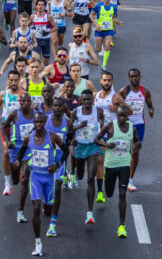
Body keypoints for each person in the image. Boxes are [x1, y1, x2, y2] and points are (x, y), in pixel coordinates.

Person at [14, 111, 68, 257]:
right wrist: (19, 161)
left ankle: (49, 212)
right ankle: (38, 243)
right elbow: (22, 151)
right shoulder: (28, 138)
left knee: (48, 209)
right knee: (36, 208)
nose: (38, 125)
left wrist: (57, 165)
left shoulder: (52, 137)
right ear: (34, 123)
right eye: (36, 122)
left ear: (45, 122)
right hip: (36, 177)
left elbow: (66, 151)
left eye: (41, 122)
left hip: (49, 178)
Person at [94, 104, 141, 238]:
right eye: (120, 115)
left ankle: (121, 226)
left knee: (122, 193)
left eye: (124, 116)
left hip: (125, 164)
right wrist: (107, 144)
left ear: (128, 116)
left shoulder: (132, 128)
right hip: (110, 165)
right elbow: (96, 139)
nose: (122, 118)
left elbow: (137, 142)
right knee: (109, 193)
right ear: (117, 115)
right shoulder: (109, 126)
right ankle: (105, 185)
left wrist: (137, 147)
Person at [71, 89, 104, 225]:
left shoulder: (98, 111)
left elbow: (104, 126)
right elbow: (68, 128)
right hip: (80, 147)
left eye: (89, 99)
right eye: (84, 99)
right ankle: (74, 174)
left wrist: (101, 137)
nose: (86, 102)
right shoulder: (76, 112)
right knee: (80, 175)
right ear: (81, 100)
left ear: (92, 100)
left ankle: (90, 213)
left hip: (92, 147)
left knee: (91, 178)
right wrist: (78, 127)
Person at [118, 68, 154, 191]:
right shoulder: (124, 91)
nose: (134, 78)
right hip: (126, 125)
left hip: (139, 125)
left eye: (136, 76)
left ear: (140, 77)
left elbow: (150, 104)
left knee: (136, 150)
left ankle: (130, 179)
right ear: (129, 78)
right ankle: (121, 171)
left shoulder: (145, 92)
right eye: (132, 76)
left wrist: (150, 110)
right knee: (126, 151)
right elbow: (117, 103)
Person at [93, 70, 125, 204]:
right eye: (104, 80)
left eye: (109, 80)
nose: (106, 83)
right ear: (101, 81)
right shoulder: (96, 95)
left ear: (112, 82)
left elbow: (129, 110)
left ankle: (108, 183)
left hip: (112, 133)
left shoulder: (115, 97)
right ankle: (100, 192)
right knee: (100, 160)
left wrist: (117, 110)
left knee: (109, 163)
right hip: (100, 132)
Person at [3, 91, 35, 223]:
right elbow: (3, 128)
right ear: (20, 103)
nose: (26, 103)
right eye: (24, 101)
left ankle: (20, 211)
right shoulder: (14, 114)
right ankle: (18, 175)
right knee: (15, 180)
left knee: (25, 179)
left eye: (28, 101)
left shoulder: (35, 114)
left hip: (28, 149)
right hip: (15, 148)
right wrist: (8, 142)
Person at [0, 69, 23, 195]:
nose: (13, 82)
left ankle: (21, 170)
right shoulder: (3, 93)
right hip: (6, 127)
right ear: (8, 80)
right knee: (6, 152)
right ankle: (7, 183)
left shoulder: (23, 95)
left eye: (16, 80)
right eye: (11, 80)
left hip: (19, 128)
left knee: (20, 153)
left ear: (19, 80)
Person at [91, 0, 121, 69]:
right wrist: (96, 25)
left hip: (109, 30)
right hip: (99, 30)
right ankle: (97, 45)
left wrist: (117, 22)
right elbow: (91, 15)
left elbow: (113, 18)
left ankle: (104, 65)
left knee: (107, 46)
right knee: (98, 49)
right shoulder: (98, 6)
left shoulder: (113, 7)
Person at [32, 0, 57, 66]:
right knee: (36, 57)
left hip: (46, 40)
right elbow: (27, 27)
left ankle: (44, 71)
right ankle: (38, 71)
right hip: (37, 40)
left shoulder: (48, 16)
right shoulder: (33, 16)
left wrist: (48, 32)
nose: (40, 6)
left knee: (46, 61)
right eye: (39, 5)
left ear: (44, 7)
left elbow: (56, 28)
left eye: (42, 5)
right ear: (36, 6)